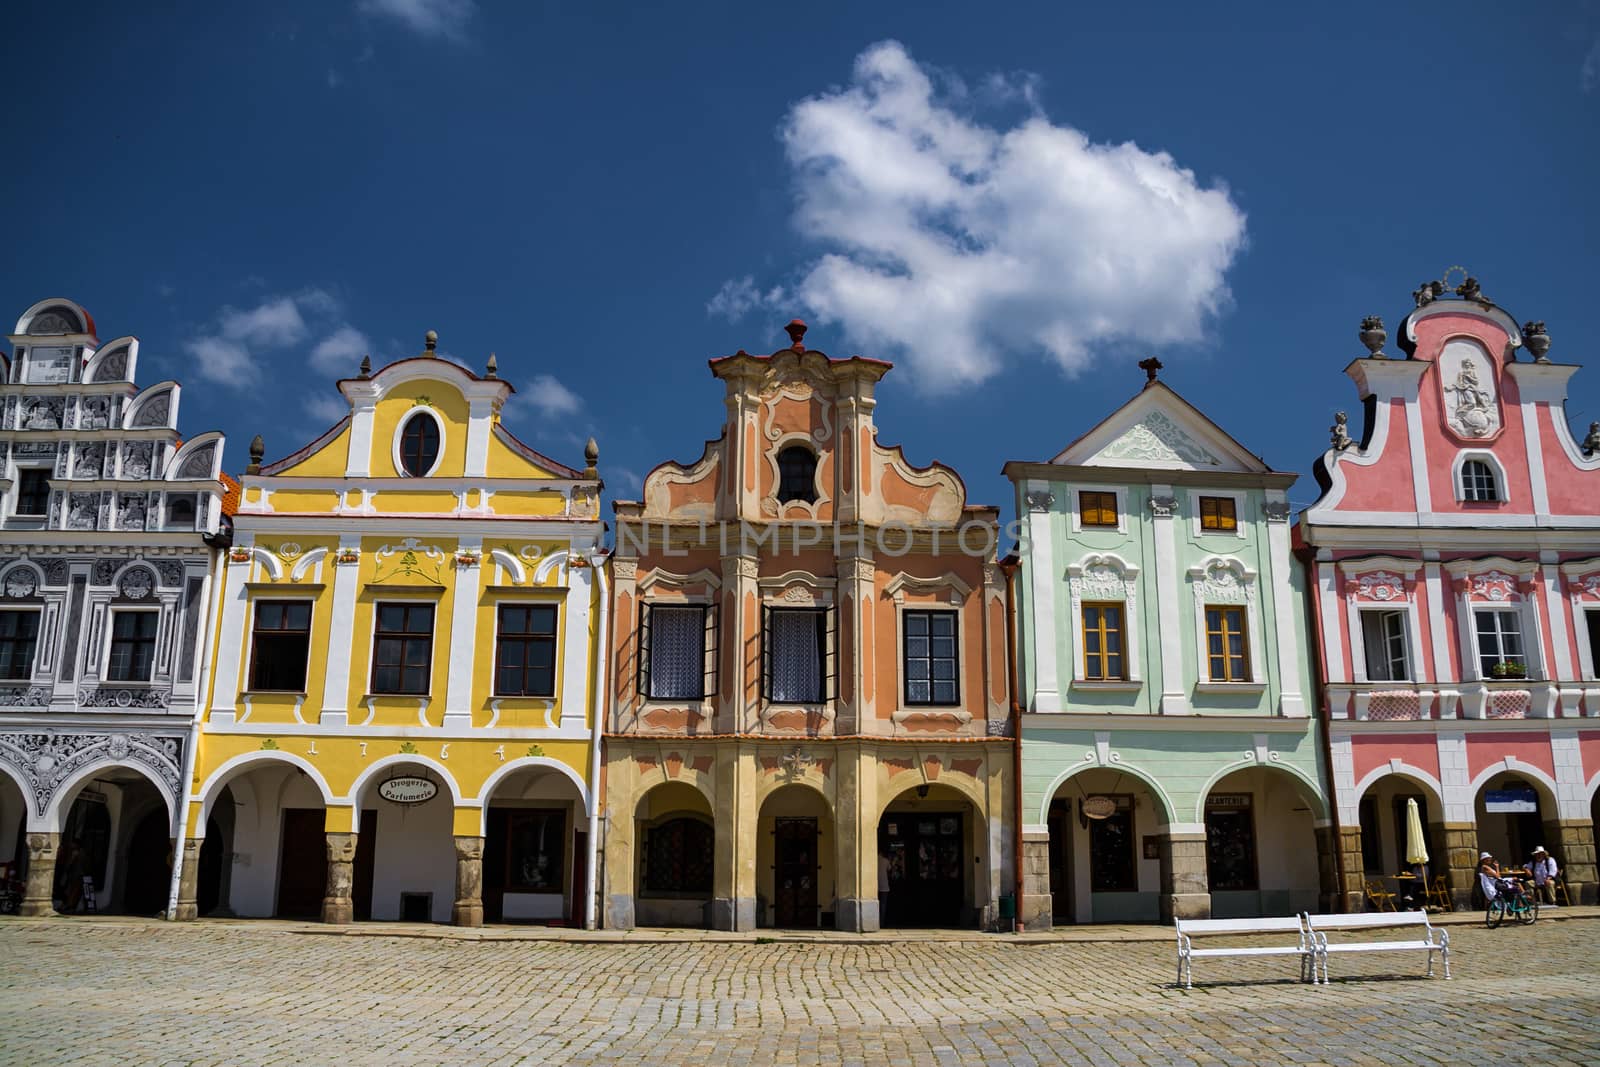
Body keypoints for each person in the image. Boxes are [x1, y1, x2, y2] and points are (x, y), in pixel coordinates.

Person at [877, 848, 892, 926]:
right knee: (883, 905)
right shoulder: (885, 860)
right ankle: (882, 923)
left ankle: (875, 921)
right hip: (884, 885)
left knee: (876, 904)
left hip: (875, 885)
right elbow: (890, 869)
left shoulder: (874, 860)